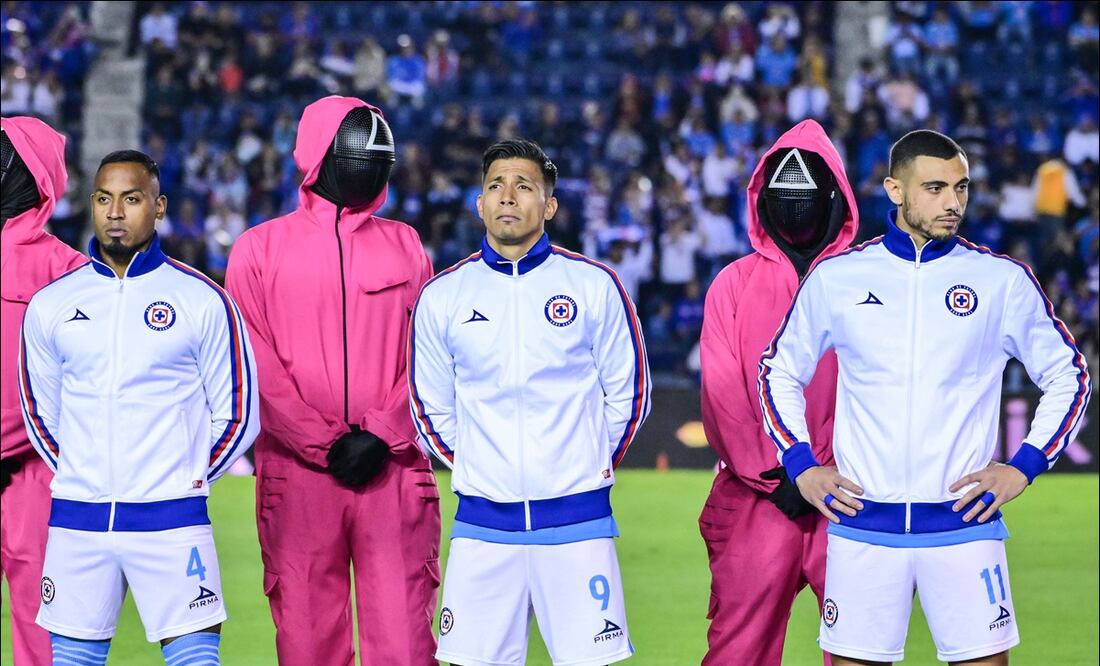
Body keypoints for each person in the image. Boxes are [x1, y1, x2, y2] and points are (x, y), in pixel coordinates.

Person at [759, 130, 1091, 665]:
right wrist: (801, 465)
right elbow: (778, 372)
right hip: (862, 525)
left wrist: (1023, 466)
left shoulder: (1000, 280)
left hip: (965, 526)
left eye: (961, 187)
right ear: (895, 190)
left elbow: (1069, 375)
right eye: (935, 188)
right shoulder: (839, 277)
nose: (953, 202)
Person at [409, 139, 650, 666]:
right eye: (495, 186)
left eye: (523, 186)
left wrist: (583, 463)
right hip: (483, 526)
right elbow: (430, 407)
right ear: (479, 204)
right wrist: (482, 465)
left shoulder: (594, 286)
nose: (508, 196)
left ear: (550, 205)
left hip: (579, 523)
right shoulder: (443, 296)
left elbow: (629, 396)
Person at [18, 149, 259, 665]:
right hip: (79, 521)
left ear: (159, 206)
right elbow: (39, 412)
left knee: (195, 659)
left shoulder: (202, 299)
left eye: (131, 199)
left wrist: (185, 478)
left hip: (172, 520)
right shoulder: (51, 304)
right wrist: (83, 471)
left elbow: (239, 413)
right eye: (103, 198)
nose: (115, 212)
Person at [224, 96, 440, 665]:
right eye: (355, 149)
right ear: (317, 153)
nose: (368, 161)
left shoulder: (407, 245)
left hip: (393, 469)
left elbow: (428, 356)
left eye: (377, 153)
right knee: (307, 645)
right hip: (297, 476)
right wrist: (322, 442)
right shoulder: (258, 250)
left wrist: (384, 431)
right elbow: (254, 364)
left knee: (406, 646)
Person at [699, 119, 859, 665]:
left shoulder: (865, 281)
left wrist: (822, 470)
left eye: (807, 188)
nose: (795, 202)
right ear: (762, 196)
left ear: (834, 194)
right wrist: (779, 472)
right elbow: (722, 395)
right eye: (784, 189)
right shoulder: (733, 283)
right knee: (739, 651)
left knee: (860, 650)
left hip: (847, 492)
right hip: (761, 496)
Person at [1, 117, 87, 666]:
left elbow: (84, 385)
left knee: (45, 631)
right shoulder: (72, 272)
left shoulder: (72, 273)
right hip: (35, 465)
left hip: (41, 472)